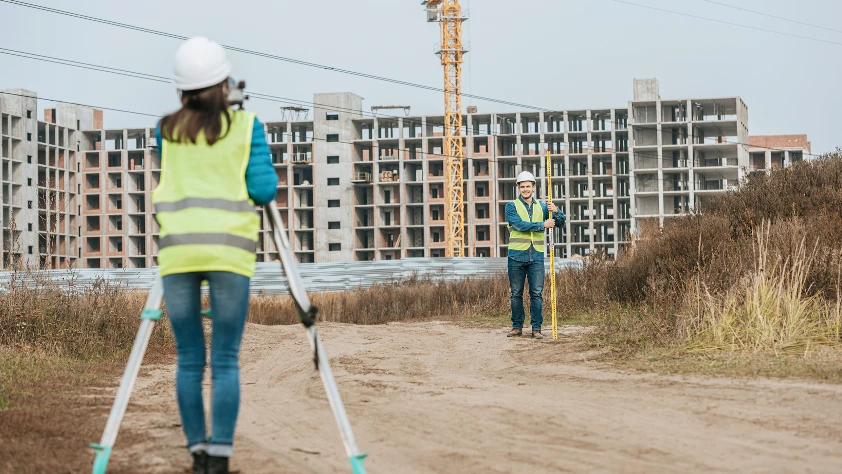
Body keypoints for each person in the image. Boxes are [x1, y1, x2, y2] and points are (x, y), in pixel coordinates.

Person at [151, 36, 278, 474]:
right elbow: (263, 190)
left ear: (180, 89)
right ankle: (220, 457)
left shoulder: (165, 130)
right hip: (228, 256)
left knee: (189, 358)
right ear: (224, 84)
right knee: (224, 358)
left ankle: (196, 451)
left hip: (179, 256)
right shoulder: (247, 127)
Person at [505, 170, 565, 339]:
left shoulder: (543, 207)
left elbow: (560, 223)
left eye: (528, 186)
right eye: (522, 186)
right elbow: (519, 225)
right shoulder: (511, 207)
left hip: (536, 257)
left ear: (533, 187)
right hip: (516, 256)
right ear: (518, 188)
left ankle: (536, 329)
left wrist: (557, 211)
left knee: (536, 294)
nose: (525, 189)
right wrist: (542, 225)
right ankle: (517, 327)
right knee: (516, 293)